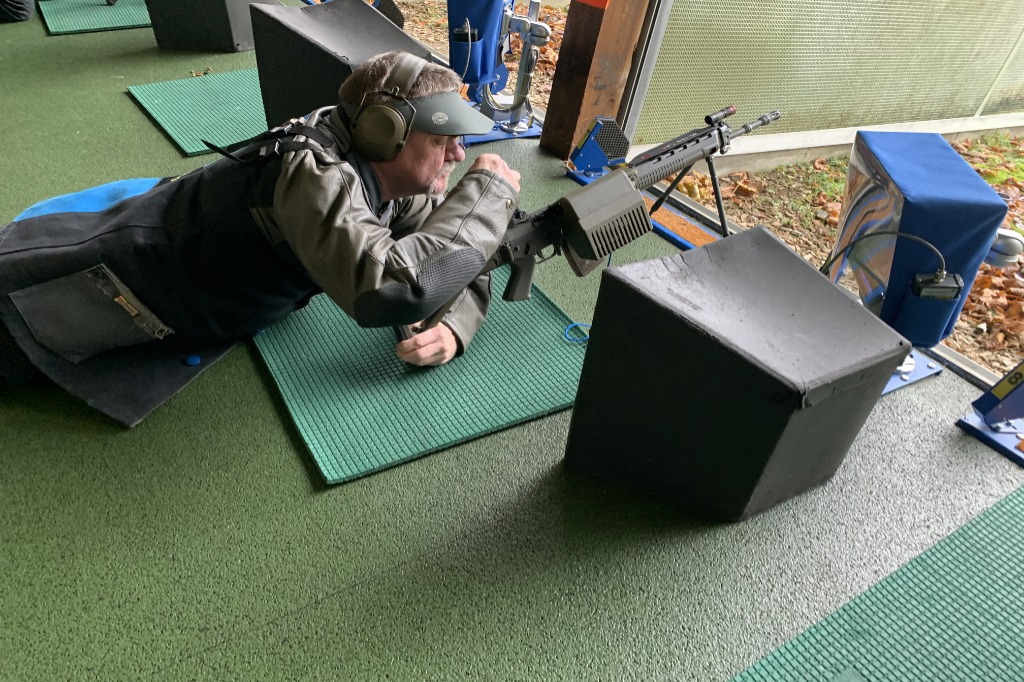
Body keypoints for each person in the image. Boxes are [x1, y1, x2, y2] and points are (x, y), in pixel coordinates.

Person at [0, 50, 521, 425]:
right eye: (444, 139)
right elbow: (392, 288)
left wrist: (454, 324)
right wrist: (488, 192)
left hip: (200, 280)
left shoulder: (385, 173)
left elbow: (448, 247)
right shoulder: (316, 175)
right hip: (130, 277)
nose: (458, 155)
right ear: (387, 133)